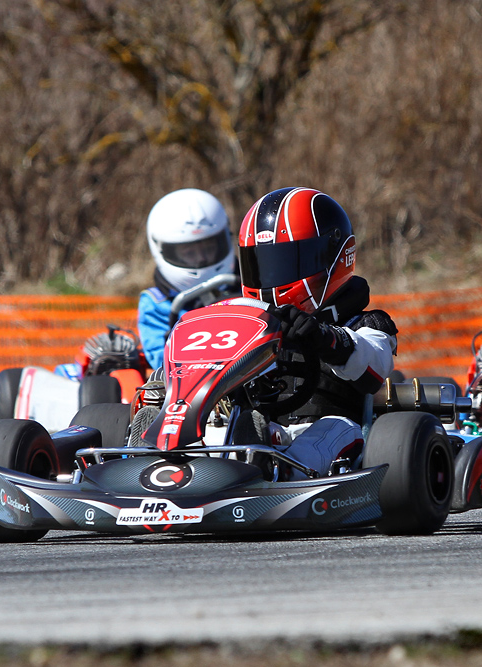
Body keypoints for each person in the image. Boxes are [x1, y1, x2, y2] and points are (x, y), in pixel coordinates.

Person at [235, 186, 398, 479]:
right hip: (267, 428)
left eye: (287, 263)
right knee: (229, 424)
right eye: (264, 264)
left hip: (338, 432)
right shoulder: (247, 325)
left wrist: (326, 338)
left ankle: (284, 473)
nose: (272, 278)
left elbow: (375, 365)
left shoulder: (366, 323)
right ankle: (170, 456)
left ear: (336, 258)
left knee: (328, 431)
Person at [138, 188, 238, 370]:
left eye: (209, 248)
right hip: (193, 382)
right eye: (190, 253)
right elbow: (162, 363)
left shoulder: (249, 286)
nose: (201, 258)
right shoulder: (156, 303)